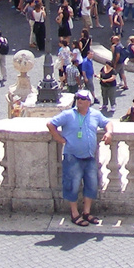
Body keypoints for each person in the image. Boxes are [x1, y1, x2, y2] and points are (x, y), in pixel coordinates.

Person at [47, 90, 113, 226]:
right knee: (73, 185)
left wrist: (109, 132)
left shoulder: (95, 114)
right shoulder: (67, 114)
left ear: (89, 102)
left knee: (92, 184)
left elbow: (108, 122)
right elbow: (50, 124)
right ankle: (74, 213)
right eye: (78, 99)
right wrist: (58, 138)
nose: (79, 101)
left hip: (89, 156)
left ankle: (87, 212)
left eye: (83, 99)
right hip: (72, 156)